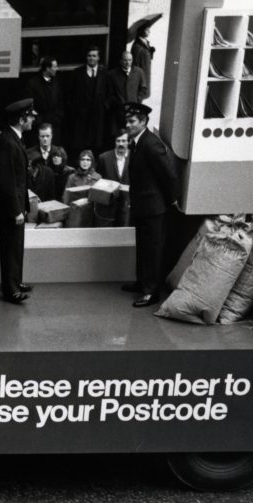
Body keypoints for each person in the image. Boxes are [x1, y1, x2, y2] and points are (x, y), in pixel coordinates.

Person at [123, 103, 178, 307]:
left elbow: (168, 174)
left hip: (153, 207)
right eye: (127, 121)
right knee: (144, 247)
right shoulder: (139, 142)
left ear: (143, 122)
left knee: (152, 249)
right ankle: (142, 283)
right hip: (143, 205)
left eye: (132, 121)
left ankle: (151, 291)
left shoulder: (150, 144)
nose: (128, 125)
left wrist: (172, 199)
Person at [0, 99, 36, 304]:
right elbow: (6, 181)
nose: (33, 119)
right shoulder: (7, 141)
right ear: (21, 119)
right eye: (30, 116)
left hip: (16, 206)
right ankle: (10, 290)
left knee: (16, 247)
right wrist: (16, 210)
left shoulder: (14, 138)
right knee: (10, 249)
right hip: (10, 209)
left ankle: (15, 282)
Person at [67, 44, 113, 153]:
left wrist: (104, 107)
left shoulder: (105, 74)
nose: (91, 58)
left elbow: (110, 94)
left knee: (97, 144)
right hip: (81, 117)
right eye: (89, 56)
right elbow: (69, 94)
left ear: (98, 58)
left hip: (98, 116)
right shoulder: (77, 73)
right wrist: (75, 109)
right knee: (80, 145)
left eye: (94, 56)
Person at [27, 121, 70, 201]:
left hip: (55, 195)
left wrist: (59, 167)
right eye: (42, 136)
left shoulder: (59, 153)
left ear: (52, 136)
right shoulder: (30, 153)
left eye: (47, 136)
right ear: (38, 137)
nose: (45, 139)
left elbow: (64, 178)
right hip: (36, 196)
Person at [26, 56, 65, 144]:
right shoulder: (32, 83)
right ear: (47, 68)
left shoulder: (57, 82)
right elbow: (29, 104)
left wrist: (58, 116)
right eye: (55, 67)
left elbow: (61, 102)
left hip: (55, 125)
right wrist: (38, 120)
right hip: (39, 125)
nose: (57, 69)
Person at [96, 129, 131, 226]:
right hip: (108, 206)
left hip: (126, 206)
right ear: (115, 142)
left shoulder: (135, 157)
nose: (121, 144)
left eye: (123, 141)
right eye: (118, 141)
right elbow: (99, 180)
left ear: (129, 142)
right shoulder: (104, 158)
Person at [131, 25, 154, 98]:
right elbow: (136, 60)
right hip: (141, 71)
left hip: (146, 70)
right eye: (147, 30)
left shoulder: (146, 42)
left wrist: (151, 51)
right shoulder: (137, 45)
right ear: (142, 31)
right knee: (140, 92)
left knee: (145, 89)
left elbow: (148, 57)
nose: (149, 32)